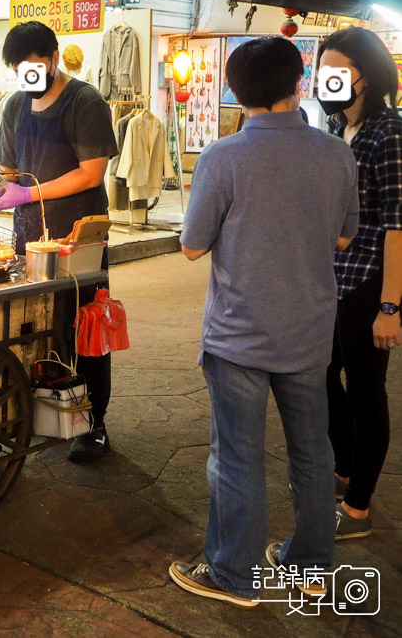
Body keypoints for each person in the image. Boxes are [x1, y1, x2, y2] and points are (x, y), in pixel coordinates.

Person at [170, 37, 359, 607]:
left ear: (234, 92)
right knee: (313, 452)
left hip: (239, 335)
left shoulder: (222, 156)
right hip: (308, 331)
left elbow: (191, 247)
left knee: (236, 455)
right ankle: (310, 566)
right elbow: (345, 236)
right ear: (298, 84)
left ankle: (233, 575)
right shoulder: (335, 154)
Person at [0, 21, 118, 462]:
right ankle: (37, 415)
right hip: (30, 237)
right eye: (18, 70)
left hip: (80, 237)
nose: (27, 78)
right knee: (31, 328)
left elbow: (91, 172)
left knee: (83, 328)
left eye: (33, 68)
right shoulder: (13, 107)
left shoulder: (85, 102)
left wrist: (28, 192)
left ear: (53, 57)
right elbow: (8, 172)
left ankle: (93, 423)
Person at [318, 27, 402, 540]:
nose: (326, 80)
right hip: (332, 280)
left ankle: (358, 508)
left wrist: (391, 305)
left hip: (369, 282)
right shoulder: (335, 129)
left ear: (364, 78)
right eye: (322, 69)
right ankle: (345, 470)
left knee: (367, 391)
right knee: (324, 377)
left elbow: (398, 223)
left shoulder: (389, 132)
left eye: (336, 71)